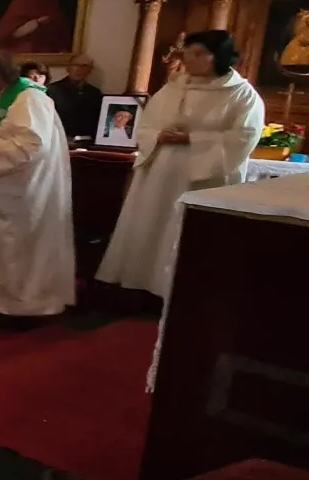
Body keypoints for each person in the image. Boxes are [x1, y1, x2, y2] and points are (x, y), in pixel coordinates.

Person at [95, 31, 264, 298]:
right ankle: (139, 281)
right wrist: (156, 136)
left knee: (184, 228)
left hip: (200, 175)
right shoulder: (174, 86)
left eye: (198, 53)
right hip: (160, 168)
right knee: (151, 222)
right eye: (188, 52)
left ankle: (180, 289)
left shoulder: (241, 93)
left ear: (217, 56)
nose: (189, 59)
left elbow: (244, 136)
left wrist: (191, 138)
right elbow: (148, 124)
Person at [0, 51, 76, 319]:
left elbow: (32, 145)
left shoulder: (29, 98)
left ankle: (19, 307)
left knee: (12, 248)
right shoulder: (4, 97)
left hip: (21, 192)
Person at [46, 54, 104, 140]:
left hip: (87, 142)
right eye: (75, 65)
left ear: (90, 70)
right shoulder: (52, 90)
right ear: (68, 68)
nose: (79, 69)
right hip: (59, 141)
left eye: (84, 66)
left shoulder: (95, 93)